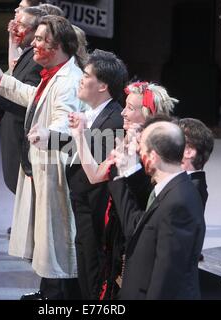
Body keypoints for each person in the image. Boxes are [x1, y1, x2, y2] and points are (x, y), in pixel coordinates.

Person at [0, 15, 84, 300]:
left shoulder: (68, 80)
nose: (34, 44)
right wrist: (2, 81)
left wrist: (46, 134)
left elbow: (65, 121)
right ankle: (49, 291)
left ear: (60, 45)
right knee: (47, 237)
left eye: (41, 40)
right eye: (36, 38)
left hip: (57, 172)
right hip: (44, 167)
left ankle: (57, 298)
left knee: (57, 237)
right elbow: (34, 96)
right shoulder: (55, 74)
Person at [29, 49, 128, 299]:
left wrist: (69, 135)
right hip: (83, 206)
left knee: (94, 275)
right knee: (84, 268)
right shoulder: (96, 114)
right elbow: (85, 144)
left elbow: (94, 162)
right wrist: (49, 138)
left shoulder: (114, 119)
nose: (81, 80)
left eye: (86, 75)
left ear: (103, 85)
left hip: (96, 211)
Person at [69, 82, 178, 299]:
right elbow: (94, 175)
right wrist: (79, 135)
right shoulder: (125, 140)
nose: (123, 112)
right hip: (113, 225)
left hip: (135, 227)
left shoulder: (159, 149)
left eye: (130, 108)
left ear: (148, 114)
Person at [108, 121, 206, 299]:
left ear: (152, 156)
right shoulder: (167, 189)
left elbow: (167, 278)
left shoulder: (179, 203)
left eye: (141, 148)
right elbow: (136, 227)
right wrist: (122, 176)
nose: (138, 152)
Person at [0, 7, 45, 196]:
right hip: (13, 128)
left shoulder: (38, 62)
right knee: (15, 186)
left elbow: (28, 99)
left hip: (22, 133)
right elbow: (14, 73)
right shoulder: (29, 53)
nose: (16, 29)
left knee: (22, 187)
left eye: (22, 25)